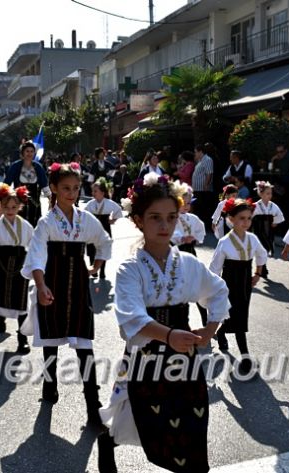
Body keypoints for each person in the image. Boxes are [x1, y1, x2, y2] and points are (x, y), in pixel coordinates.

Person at [97, 172, 230, 473]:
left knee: (192, 419)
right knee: (141, 417)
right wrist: (168, 336)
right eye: (155, 217)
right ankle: (108, 443)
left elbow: (218, 290)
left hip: (185, 355)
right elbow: (132, 316)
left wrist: (210, 329)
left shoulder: (187, 263)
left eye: (171, 217)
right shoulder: (130, 269)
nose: (164, 225)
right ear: (139, 220)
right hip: (147, 357)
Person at [21, 162, 111, 424]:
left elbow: (103, 240)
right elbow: (36, 255)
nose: (71, 193)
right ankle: (49, 383)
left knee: (84, 343)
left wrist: (96, 264)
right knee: (51, 340)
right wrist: (40, 285)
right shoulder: (47, 222)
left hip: (79, 286)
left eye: (75, 188)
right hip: (53, 283)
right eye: (65, 188)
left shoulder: (85, 220)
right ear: (53, 189)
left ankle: (93, 405)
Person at [209, 198, 267, 365]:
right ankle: (245, 355)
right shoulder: (225, 242)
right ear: (231, 219)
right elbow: (215, 267)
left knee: (240, 314)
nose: (246, 222)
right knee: (235, 315)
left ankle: (220, 332)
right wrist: (215, 288)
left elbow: (261, 255)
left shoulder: (252, 239)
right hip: (229, 282)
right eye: (242, 218)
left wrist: (257, 273)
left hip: (245, 281)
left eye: (249, 218)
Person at [0, 184, 33, 353]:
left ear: (19, 206)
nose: (10, 210)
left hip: (20, 265)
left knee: (22, 300)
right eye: (6, 207)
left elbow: (34, 246)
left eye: (14, 207)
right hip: (1, 265)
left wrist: (36, 265)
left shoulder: (25, 226)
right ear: (0, 207)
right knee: (1, 294)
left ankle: (22, 338)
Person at [170, 186, 209, 326]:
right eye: (184, 203)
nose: (187, 206)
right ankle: (179, 320)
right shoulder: (172, 217)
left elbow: (200, 229)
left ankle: (205, 317)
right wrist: (181, 238)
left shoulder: (193, 218)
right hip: (177, 253)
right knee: (178, 284)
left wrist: (195, 238)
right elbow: (170, 233)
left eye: (189, 203)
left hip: (190, 252)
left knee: (196, 284)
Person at [4, 142, 50, 227]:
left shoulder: (38, 167)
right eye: (27, 151)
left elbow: (45, 185)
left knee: (34, 228)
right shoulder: (15, 166)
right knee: (19, 228)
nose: (29, 153)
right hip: (18, 204)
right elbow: (6, 185)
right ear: (22, 153)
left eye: (32, 151)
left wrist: (51, 200)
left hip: (35, 206)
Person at [85, 178, 123, 279]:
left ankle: (102, 270)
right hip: (92, 230)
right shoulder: (90, 204)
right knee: (92, 249)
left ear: (102, 192)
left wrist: (113, 220)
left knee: (103, 249)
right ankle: (93, 268)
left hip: (105, 228)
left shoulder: (109, 203)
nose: (93, 193)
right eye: (93, 191)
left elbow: (119, 210)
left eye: (95, 191)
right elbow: (84, 215)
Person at [251, 181, 285, 279]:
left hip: (269, 230)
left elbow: (279, 214)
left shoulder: (272, 205)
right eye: (267, 193)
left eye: (271, 193)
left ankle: (262, 266)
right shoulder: (255, 205)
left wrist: (275, 222)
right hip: (258, 229)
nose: (270, 195)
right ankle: (263, 268)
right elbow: (249, 216)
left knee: (267, 248)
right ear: (260, 194)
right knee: (261, 249)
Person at [192, 144, 215, 231]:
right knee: (199, 209)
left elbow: (209, 173)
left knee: (204, 209)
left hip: (203, 190)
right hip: (198, 190)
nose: (195, 154)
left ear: (200, 152)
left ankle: (206, 228)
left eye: (196, 152)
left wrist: (206, 185)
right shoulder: (200, 160)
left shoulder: (207, 160)